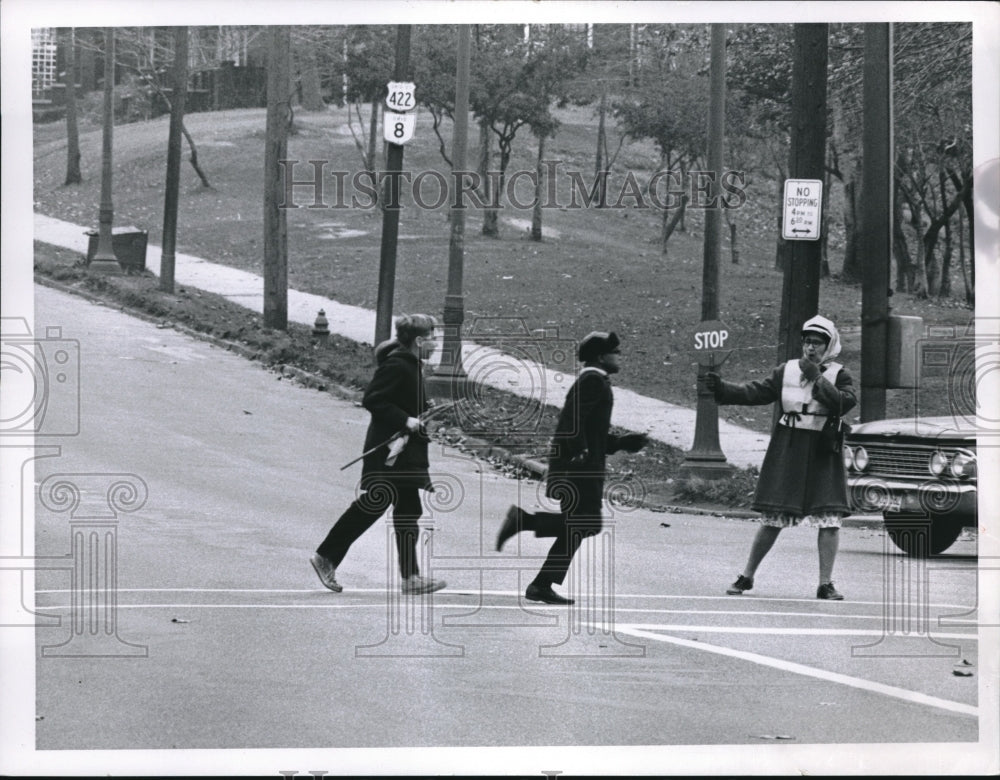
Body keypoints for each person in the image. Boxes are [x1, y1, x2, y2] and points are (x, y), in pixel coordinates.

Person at [704, 315, 857, 600]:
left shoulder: (839, 374)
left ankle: (826, 583)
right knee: (774, 515)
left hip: (824, 451)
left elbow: (843, 402)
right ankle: (747, 576)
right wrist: (723, 388)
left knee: (829, 516)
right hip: (789, 448)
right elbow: (757, 392)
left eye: (818, 343)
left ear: (829, 345)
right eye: (807, 342)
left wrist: (816, 378)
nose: (811, 348)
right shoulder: (785, 370)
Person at [495, 331, 648, 604]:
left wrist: (622, 442)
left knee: (579, 526)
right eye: (616, 351)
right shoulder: (592, 381)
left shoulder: (595, 381)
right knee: (586, 524)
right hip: (579, 469)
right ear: (601, 357)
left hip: (580, 465)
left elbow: (590, 429)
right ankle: (525, 524)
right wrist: (579, 452)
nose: (619, 356)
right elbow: (572, 421)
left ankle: (541, 583)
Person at [310, 314, 446, 595]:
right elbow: (373, 398)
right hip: (389, 453)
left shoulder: (410, 364)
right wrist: (405, 420)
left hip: (403, 454)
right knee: (375, 504)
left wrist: (423, 408)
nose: (436, 343)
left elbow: (398, 399)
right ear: (419, 341)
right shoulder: (399, 364)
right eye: (433, 337)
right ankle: (326, 556)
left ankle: (412, 578)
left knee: (408, 510)